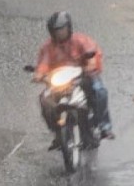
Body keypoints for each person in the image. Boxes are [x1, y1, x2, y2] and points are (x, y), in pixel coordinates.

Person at [33, 11, 114, 150]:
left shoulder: (81, 40)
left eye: (62, 30)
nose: (59, 34)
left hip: (83, 76)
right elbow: (43, 64)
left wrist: (90, 64)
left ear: (69, 28)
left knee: (99, 91)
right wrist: (38, 74)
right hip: (59, 80)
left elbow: (92, 54)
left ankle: (104, 127)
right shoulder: (48, 47)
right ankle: (57, 133)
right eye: (56, 31)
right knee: (44, 100)